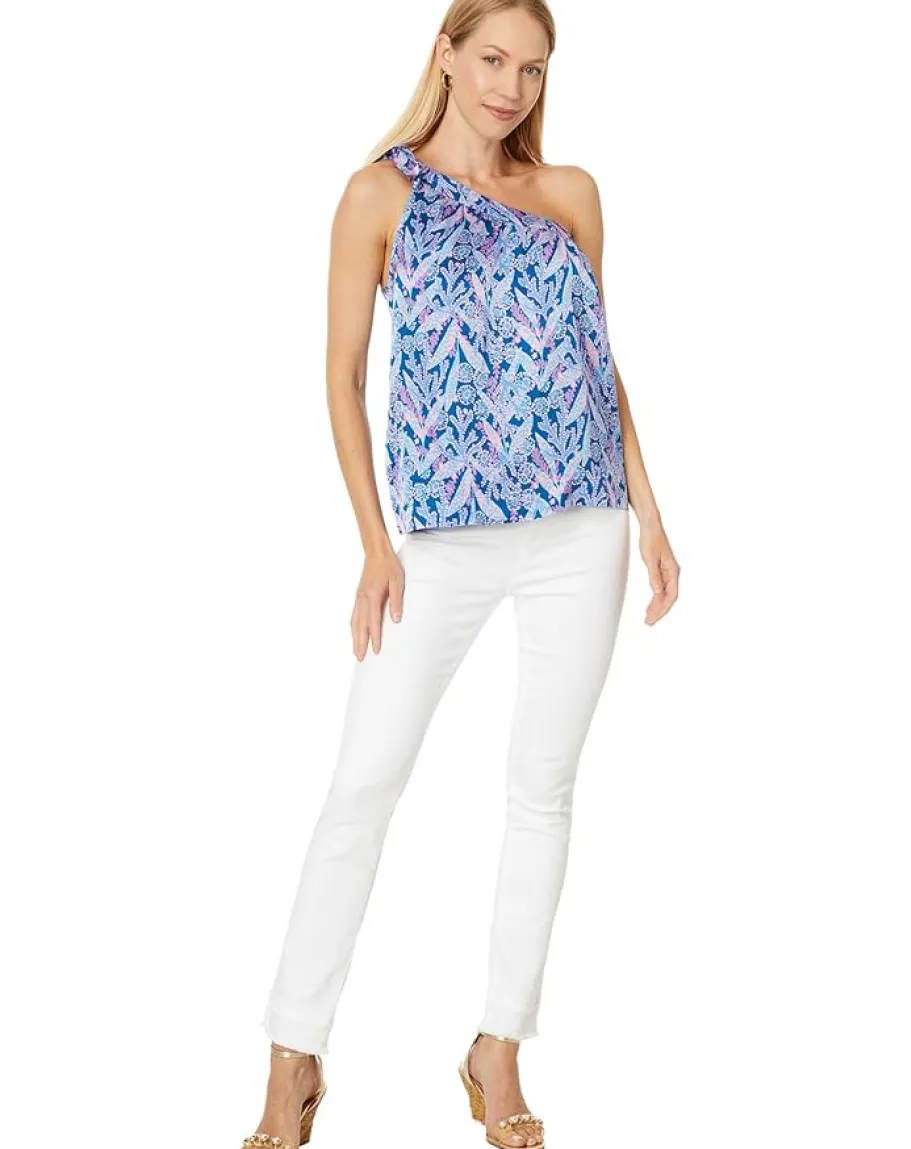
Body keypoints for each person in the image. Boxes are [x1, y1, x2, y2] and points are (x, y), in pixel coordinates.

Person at [242, 1, 680, 1146]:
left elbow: (597, 362)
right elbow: (341, 375)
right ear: (444, 55)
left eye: (530, 68)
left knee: (542, 788)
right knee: (362, 784)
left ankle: (497, 1049)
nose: (508, 86)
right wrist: (372, 542)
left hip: (580, 524)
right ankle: (293, 1056)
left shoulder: (569, 193)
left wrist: (648, 513)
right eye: (490, 58)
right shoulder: (376, 194)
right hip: (440, 536)